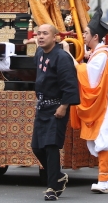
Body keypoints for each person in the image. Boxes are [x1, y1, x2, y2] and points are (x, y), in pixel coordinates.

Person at [72, 8, 108, 194]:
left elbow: (91, 78)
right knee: (102, 137)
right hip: (107, 100)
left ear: (95, 37)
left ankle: (103, 179)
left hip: (106, 101)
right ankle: (107, 178)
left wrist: (75, 64)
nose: (83, 35)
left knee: (104, 138)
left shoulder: (101, 55)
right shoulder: (99, 53)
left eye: (86, 33)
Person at [31, 24, 80, 201]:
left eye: (45, 34)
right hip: (42, 106)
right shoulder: (39, 53)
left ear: (55, 37)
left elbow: (70, 84)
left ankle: (52, 187)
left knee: (51, 147)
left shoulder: (62, 57)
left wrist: (64, 106)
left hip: (57, 107)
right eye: (39, 34)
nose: (41, 37)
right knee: (37, 147)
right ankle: (58, 176)